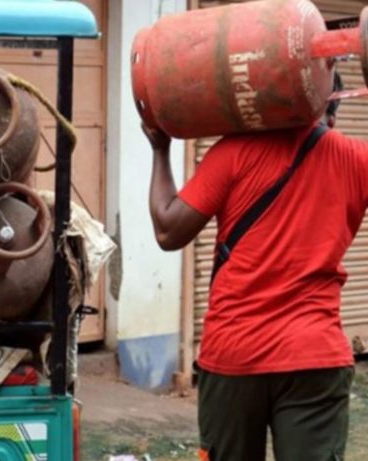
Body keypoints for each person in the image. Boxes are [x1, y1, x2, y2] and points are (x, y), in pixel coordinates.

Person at [146, 73, 363, 461]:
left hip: (234, 354)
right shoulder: (352, 158)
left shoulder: (232, 152)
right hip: (315, 355)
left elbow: (168, 230)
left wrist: (160, 149)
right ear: (331, 110)